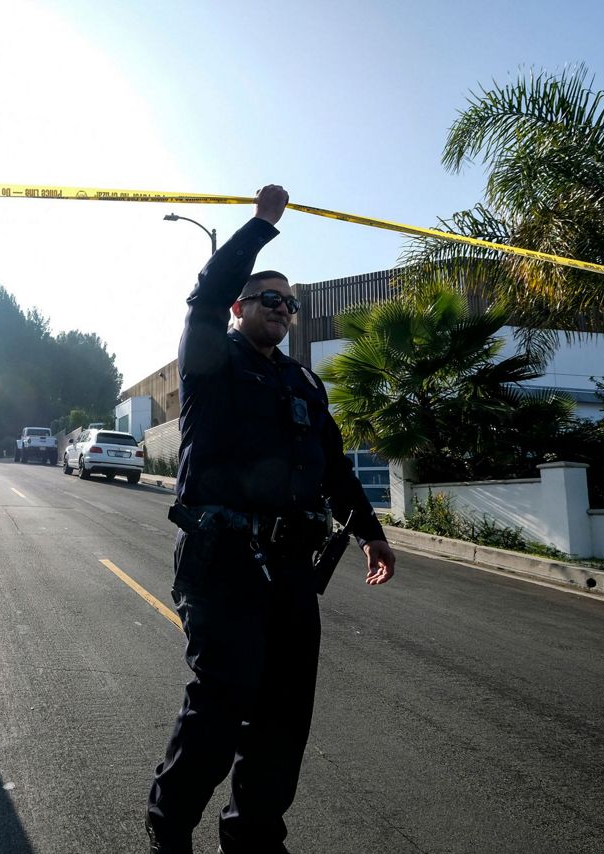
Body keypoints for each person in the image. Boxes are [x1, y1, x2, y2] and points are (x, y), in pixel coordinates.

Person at [145, 184, 396, 854]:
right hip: (222, 562)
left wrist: (370, 534)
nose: (282, 310)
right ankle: (170, 828)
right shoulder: (210, 360)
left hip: (291, 570)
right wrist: (261, 225)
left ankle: (254, 836)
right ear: (241, 307)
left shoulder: (304, 383)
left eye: (289, 303)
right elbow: (203, 296)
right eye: (268, 299)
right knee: (222, 703)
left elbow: (334, 468)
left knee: (285, 712)